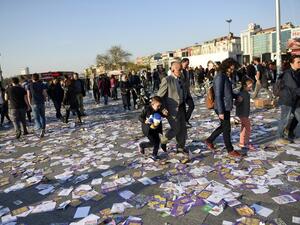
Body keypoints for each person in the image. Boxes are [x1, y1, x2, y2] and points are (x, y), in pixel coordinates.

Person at [205, 58, 242, 158]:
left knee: (224, 126)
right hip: (222, 107)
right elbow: (218, 95)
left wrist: (236, 96)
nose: (232, 71)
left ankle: (209, 140)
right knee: (227, 128)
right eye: (231, 69)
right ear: (226, 66)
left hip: (226, 106)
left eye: (233, 69)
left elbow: (228, 92)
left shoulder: (225, 76)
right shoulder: (220, 76)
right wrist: (221, 111)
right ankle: (230, 150)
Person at [157, 61, 188, 153]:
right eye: (179, 70)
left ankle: (180, 147)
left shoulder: (181, 78)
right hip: (171, 109)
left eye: (181, 70)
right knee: (176, 129)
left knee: (183, 129)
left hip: (181, 107)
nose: (181, 71)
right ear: (173, 69)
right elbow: (159, 96)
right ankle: (163, 140)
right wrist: (162, 108)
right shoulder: (167, 80)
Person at [277, 54, 300, 144]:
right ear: (291, 63)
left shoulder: (297, 72)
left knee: (297, 117)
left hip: (296, 100)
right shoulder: (288, 74)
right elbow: (295, 89)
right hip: (287, 101)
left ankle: (289, 132)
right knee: (284, 120)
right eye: (298, 62)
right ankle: (280, 137)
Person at [138, 96, 168, 160]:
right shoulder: (147, 109)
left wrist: (165, 114)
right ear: (152, 104)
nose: (159, 107)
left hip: (155, 129)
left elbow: (161, 115)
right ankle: (142, 145)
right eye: (158, 106)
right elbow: (140, 117)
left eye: (160, 106)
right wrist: (145, 121)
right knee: (153, 143)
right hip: (148, 130)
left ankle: (154, 155)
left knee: (157, 142)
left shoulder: (158, 109)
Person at [235, 78, 255, 151]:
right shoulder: (241, 94)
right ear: (244, 86)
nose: (251, 87)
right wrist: (238, 101)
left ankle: (242, 142)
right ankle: (246, 143)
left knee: (243, 128)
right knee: (248, 128)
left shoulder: (246, 93)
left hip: (245, 113)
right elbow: (236, 103)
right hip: (242, 114)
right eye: (250, 85)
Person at [27, 73, 48, 138]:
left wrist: (29, 103)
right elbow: (44, 93)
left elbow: (28, 95)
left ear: (32, 78)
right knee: (43, 116)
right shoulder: (42, 84)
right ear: (38, 78)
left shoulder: (29, 85)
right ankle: (43, 129)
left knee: (36, 117)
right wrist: (45, 99)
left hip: (34, 103)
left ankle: (40, 127)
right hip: (41, 102)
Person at [181, 58, 195, 128]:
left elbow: (187, 82)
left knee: (192, 106)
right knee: (183, 109)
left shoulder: (186, 71)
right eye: (187, 63)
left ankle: (185, 120)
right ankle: (184, 122)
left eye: (188, 63)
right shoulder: (179, 70)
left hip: (187, 92)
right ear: (183, 63)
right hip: (181, 93)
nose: (188, 65)